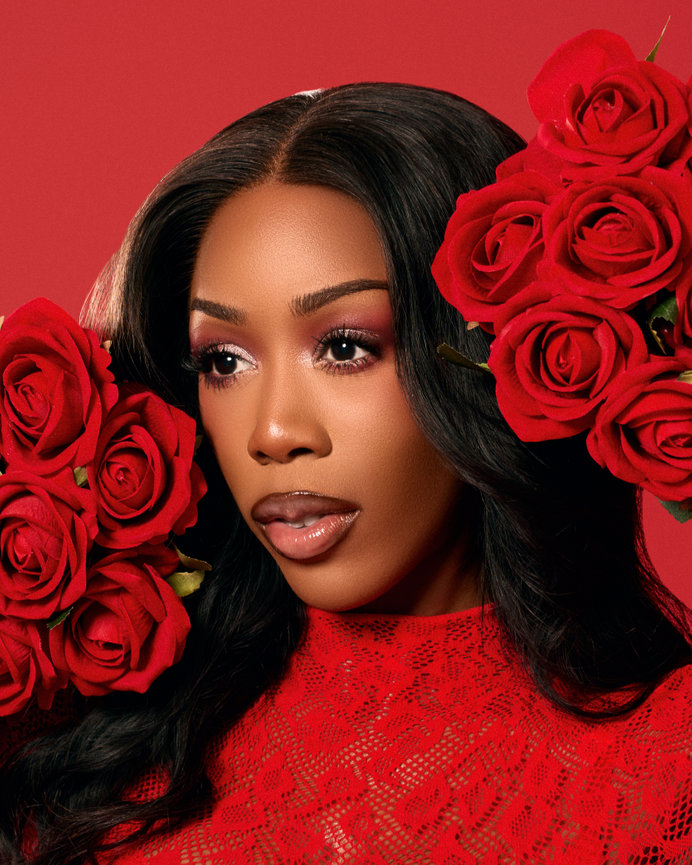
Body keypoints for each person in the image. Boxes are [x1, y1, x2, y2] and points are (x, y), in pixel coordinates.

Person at [1, 70, 691, 864]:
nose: (272, 432)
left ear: (482, 356)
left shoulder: (666, 767)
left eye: (344, 346)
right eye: (224, 360)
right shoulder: (100, 748)